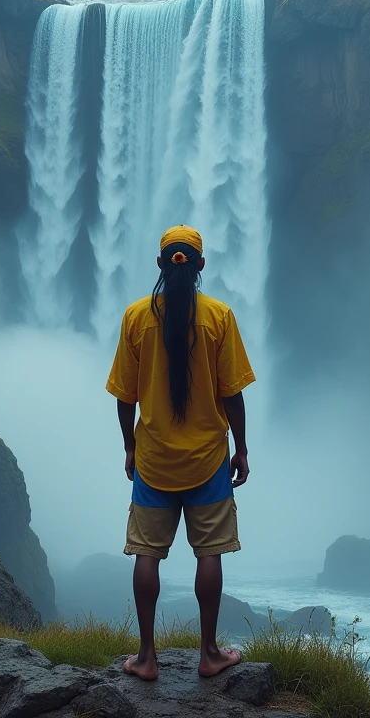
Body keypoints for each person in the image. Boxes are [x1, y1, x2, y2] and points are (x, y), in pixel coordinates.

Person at [106, 224, 255, 681]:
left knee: (146, 554)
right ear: (200, 266)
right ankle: (209, 653)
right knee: (209, 552)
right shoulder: (219, 316)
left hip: (153, 462)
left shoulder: (136, 317)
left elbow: (124, 396)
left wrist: (130, 446)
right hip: (208, 458)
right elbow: (232, 394)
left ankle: (147, 657)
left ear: (159, 263)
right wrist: (242, 449)